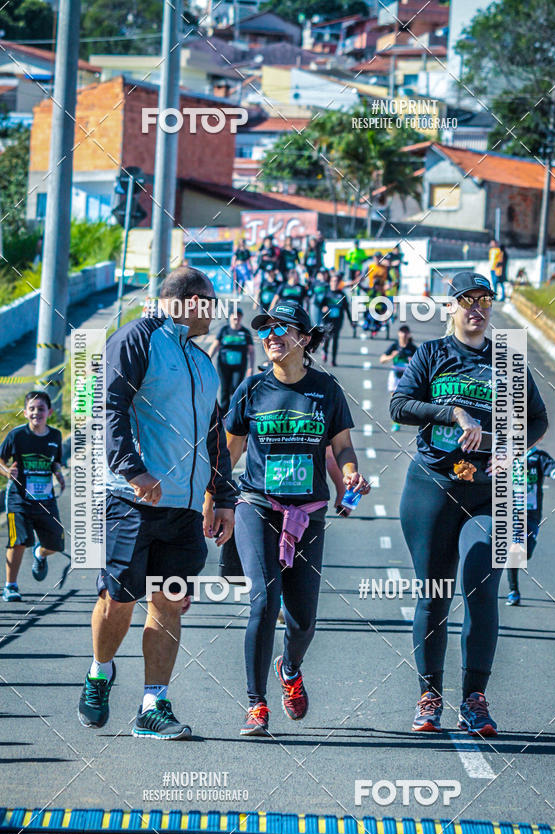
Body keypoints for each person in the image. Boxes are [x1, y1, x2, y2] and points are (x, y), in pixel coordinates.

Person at [77, 266, 236, 740]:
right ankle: (100, 672)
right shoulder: (136, 339)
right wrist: (132, 468)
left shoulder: (202, 361)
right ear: (189, 300)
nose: (217, 310)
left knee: (168, 600)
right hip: (131, 499)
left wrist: (222, 496)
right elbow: (106, 405)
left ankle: (153, 705)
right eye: (212, 300)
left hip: (184, 508)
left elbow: (214, 434)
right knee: (119, 598)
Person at [391, 271, 548, 736]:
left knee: (481, 586)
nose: (476, 309)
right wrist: (453, 412)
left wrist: (511, 446)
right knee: (435, 594)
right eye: (467, 301)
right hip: (432, 486)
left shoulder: (509, 358)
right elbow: (399, 406)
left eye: (484, 301)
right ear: (450, 307)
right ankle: (430, 696)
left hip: (492, 490)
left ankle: (475, 700)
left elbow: (536, 418)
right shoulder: (432, 353)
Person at [223, 302, 370, 736]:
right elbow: (228, 452)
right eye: (265, 329)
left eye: (282, 329)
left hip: (308, 512)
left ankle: (289, 668)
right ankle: (256, 704)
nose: (271, 336)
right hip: (257, 504)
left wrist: (349, 475)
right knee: (264, 602)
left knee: (304, 619)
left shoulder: (326, 390)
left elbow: (341, 446)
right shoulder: (251, 390)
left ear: (304, 339)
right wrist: (214, 500)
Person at [1, 391, 65, 602]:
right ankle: (10, 585)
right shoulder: (17, 436)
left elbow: (55, 460)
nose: (36, 412)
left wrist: (58, 473)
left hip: (45, 499)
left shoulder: (55, 436)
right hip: (18, 498)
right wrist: (7, 471)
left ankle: (40, 554)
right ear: (26, 412)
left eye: (41, 408)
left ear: (49, 412)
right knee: (17, 540)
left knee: (56, 543)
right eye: (32, 408)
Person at [505, 444, 555, 606]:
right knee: (515, 548)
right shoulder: (506, 453)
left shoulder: (539, 456)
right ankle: (513, 590)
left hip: (531, 513)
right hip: (511, 512)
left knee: (526, 553)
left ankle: (516, 560)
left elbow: (554, 470)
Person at [208, 308, 255, 413]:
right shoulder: (224, 330)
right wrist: (207, 359)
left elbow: (251, 351)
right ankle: (224, 413)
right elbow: (215, 346)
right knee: (224, 389)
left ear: (241, 317)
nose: (236, 318)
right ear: (229, 317)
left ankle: (234, 411)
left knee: (235, 388)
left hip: (239, 366)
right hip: (223, 365)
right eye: (234, 315)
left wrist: (251, 368)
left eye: (239, 315)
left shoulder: (245, 332)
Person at [379, 325, 418, 431]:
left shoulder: (412, 348)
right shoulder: (394, 346)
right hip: (395, 374)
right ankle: (396, 421)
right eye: (402, 332)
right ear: (398, 333)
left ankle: (401, 417)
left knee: (404, 399)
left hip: (407, 376)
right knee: (394, 398)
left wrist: (412, 362)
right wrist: (391, 356)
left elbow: (421, 364)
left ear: (409, 334)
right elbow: (382, 360)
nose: (404, 334)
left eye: (406, 332)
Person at [321, 272, 352, 366]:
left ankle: (333, 360)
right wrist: (324, 307)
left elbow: (346, 309)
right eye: (333, 281)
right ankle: (325, 350)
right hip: (328, 320)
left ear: (338, 283)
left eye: (336, 281)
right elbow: (320, 305)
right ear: (330, 282)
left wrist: (351, 321)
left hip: (338, 320)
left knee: (335, 339)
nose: (334, 283)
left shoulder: (342, 294)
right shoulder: (326, 293)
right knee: (327, 337)